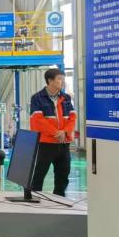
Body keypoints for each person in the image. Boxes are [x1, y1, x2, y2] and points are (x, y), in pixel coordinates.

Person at [29, 68, 76, 196]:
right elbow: (38, 120)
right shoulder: (37, 98)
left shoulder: (66, 98)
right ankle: (34, 199)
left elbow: (72, 118)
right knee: (39, 174)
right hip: (46, 144)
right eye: (60, 79)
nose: (62, 82)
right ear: (50, 80)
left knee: (63, 175)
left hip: (64, 143)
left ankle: (59, 199)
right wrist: (57, 133)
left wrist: (65, 132)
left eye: (63, 79)